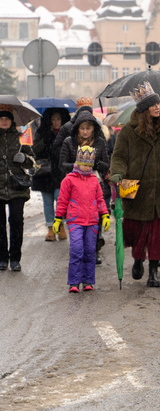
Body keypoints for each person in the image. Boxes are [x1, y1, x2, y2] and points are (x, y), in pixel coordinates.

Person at [110, 82, 160, 288]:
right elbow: (119, 156)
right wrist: (117, 173)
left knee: (159, 234)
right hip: (137, 190)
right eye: (152, 105)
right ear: (143, 110)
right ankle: (139, 260)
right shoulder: (128, 132)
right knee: (139, 232)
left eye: (158, 103)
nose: (157, 107)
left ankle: (154, 271)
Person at [54, 146, 110, 293]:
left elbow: (100, 199)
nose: (87, 168)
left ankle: (87, 280)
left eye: (90, 165)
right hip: (75, 220)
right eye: (84, 164)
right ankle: (74, 282)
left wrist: (104, 215)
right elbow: (62, 200)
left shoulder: (94, 180)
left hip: (92, 221)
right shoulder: (69, 180)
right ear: (78, 163)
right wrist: (58, 218)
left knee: (90, 251)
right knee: (77, 250)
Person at [58, 109, 111, 265]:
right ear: (78, 129)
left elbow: (106, 164)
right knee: (78, 219)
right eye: (82, 128)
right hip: (75, 185)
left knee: (96, 218)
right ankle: (78, 250)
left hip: (95, 183)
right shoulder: (69, 141)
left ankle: (94, 250)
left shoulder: (100, 142)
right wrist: (77, 166)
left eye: (88, 128)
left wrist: (96, 164)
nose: (86, 131)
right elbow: (62, 164)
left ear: (94, 128)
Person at [0, 106, 34, 272]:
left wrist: (25, 159)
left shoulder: (22, 139)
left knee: (16, 222)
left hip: (17, 187)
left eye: (7, 118)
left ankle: (15, 258)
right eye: (1, 118)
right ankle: (2, 258)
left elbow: (34, 162)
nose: (4, 121)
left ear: (12, 120)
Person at [32, 107, 71, 241]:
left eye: (58, 119)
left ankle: (60, 226)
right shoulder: (41, 132)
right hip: (45, 172)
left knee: (60, 199)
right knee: (47, 202)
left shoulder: (67, 133)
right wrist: (45, 140)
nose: (56, 122)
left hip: (61, 172)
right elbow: (35, 150)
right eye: (53, 119)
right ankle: (50, 229)